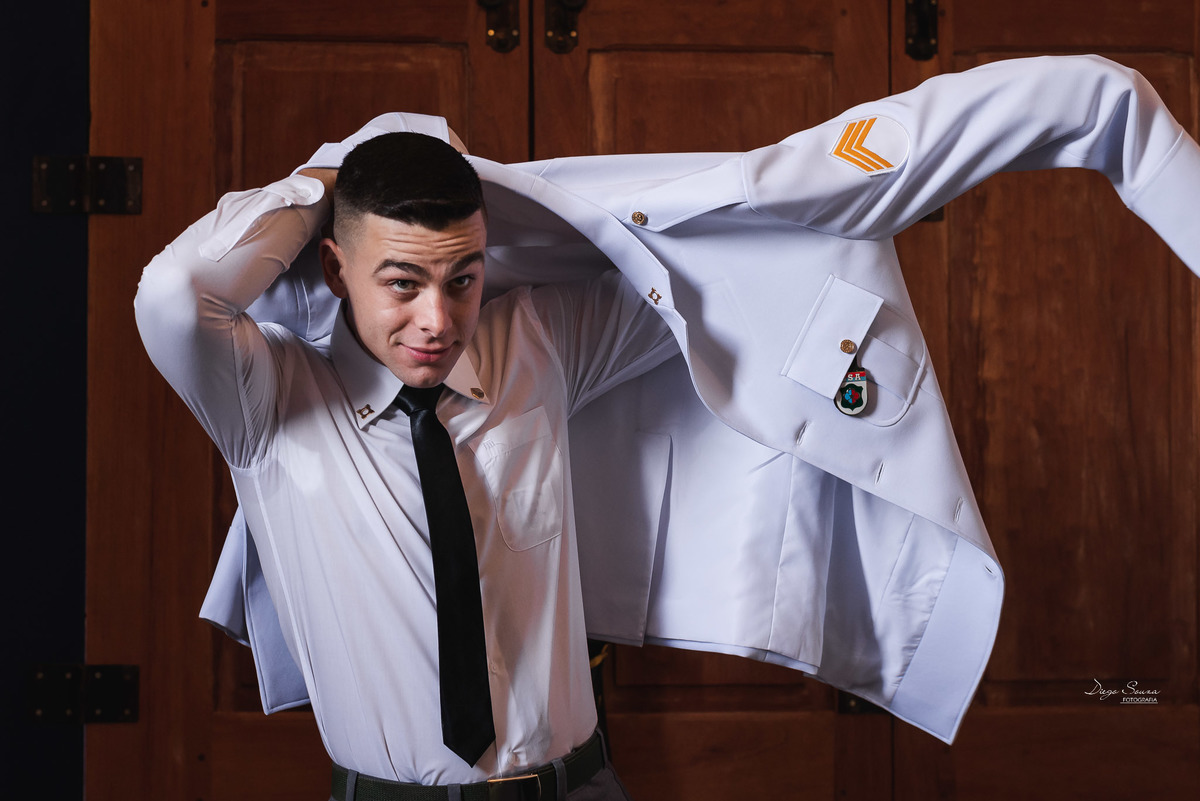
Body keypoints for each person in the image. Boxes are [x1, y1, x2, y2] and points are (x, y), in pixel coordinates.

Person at [137, 54, 1200, 800]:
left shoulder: (533, 349)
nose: (437, 320)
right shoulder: (267, 402)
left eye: (463, 278)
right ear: (334, 266)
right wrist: (334, 177)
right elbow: (176, 289)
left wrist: (847, 207)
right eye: (402, 281)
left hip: (580, 785)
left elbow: (703, 267)